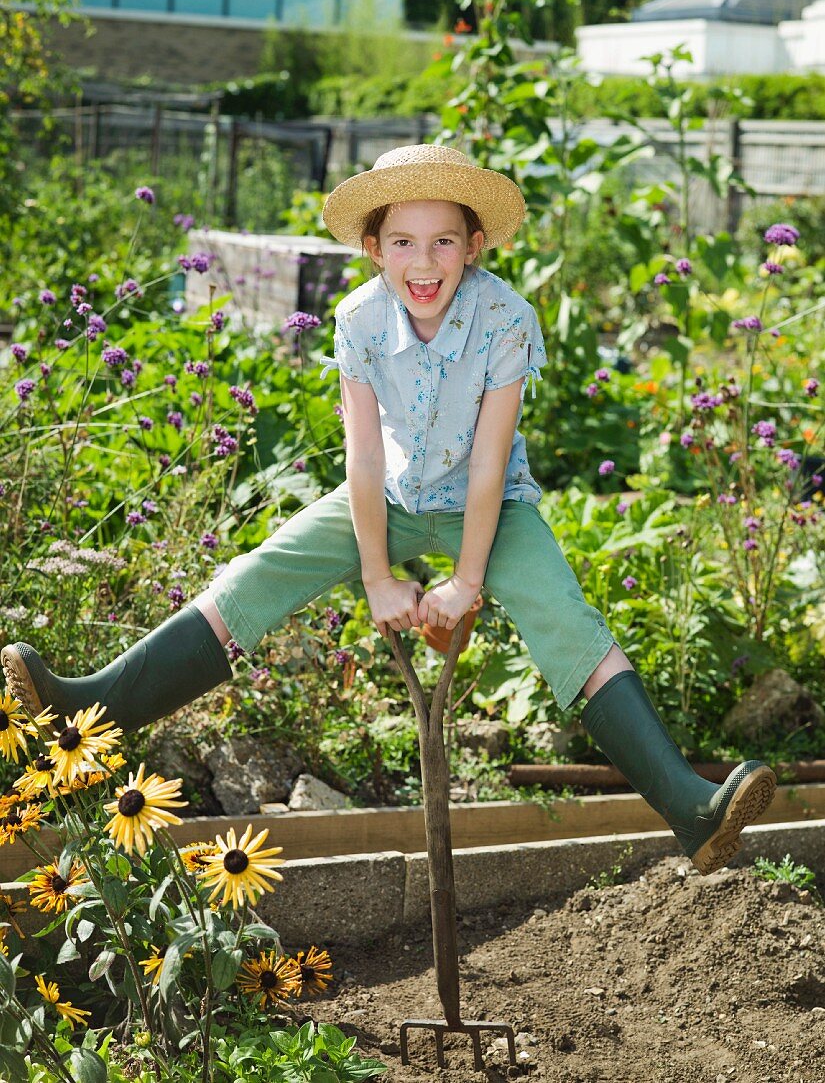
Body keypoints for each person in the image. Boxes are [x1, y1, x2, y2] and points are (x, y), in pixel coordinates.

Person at [2, 144, 776, 875]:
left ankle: (691, 811)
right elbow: (364, 457)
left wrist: (465, 583)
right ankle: (89, 717)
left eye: (443, 241)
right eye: (402, 242)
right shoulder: (358, 320)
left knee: (565, 618)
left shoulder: (505, 318)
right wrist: (377, 576)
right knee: (258, 573)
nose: (423, 261)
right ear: (374, 249)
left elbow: (488, 459)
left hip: (492, 505)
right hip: (392, 497)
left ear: (474, 246)